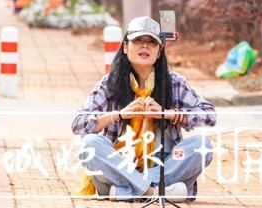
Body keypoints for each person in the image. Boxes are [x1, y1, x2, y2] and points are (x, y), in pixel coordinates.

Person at [72, 16, 216, 202]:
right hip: (118, 163)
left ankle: (127, 191)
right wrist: (120, 114)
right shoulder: (109, 84)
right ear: (125, 47)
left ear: (159, 51)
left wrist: (167, 114)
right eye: (138, 41)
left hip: (164, 164)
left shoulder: (175, 83)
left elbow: (209, 115)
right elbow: (78, 124)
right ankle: (156, 193)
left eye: (151, 43)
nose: (144, 47)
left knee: (202, 145)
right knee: (90, 144)